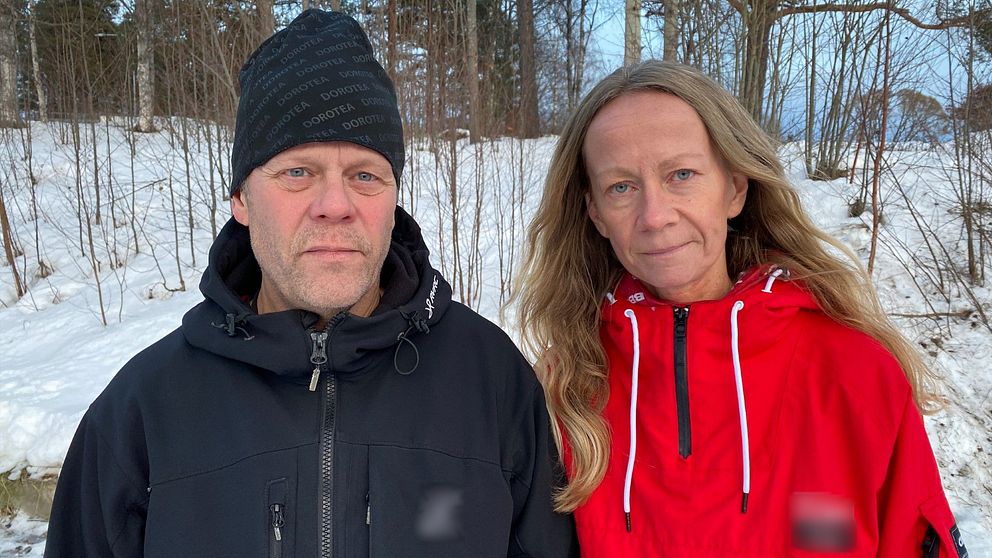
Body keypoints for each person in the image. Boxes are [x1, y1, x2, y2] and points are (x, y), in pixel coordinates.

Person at [44, 10, 576, 558]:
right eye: (297, 172)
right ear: (241, 198)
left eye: (365, 175)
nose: (335, 206)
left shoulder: (491, 384)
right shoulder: (144, 410)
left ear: (393, 197)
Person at [513, 60, 967, 557]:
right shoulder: (564, 387)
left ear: (734, 187)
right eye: (621, 187)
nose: (655, 216)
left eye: (681, 174)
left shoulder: (854, 372)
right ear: (596, 213)